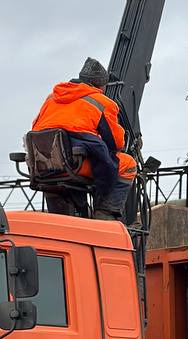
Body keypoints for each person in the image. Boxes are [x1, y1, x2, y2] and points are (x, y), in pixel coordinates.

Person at [31, 59, 135, 220]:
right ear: (101, 86)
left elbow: (36, 127)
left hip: (44, 166)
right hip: (74, 164)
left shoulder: (52, 98)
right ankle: (105, 214)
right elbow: (116, 143)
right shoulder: (101, 102)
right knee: (128, 164)